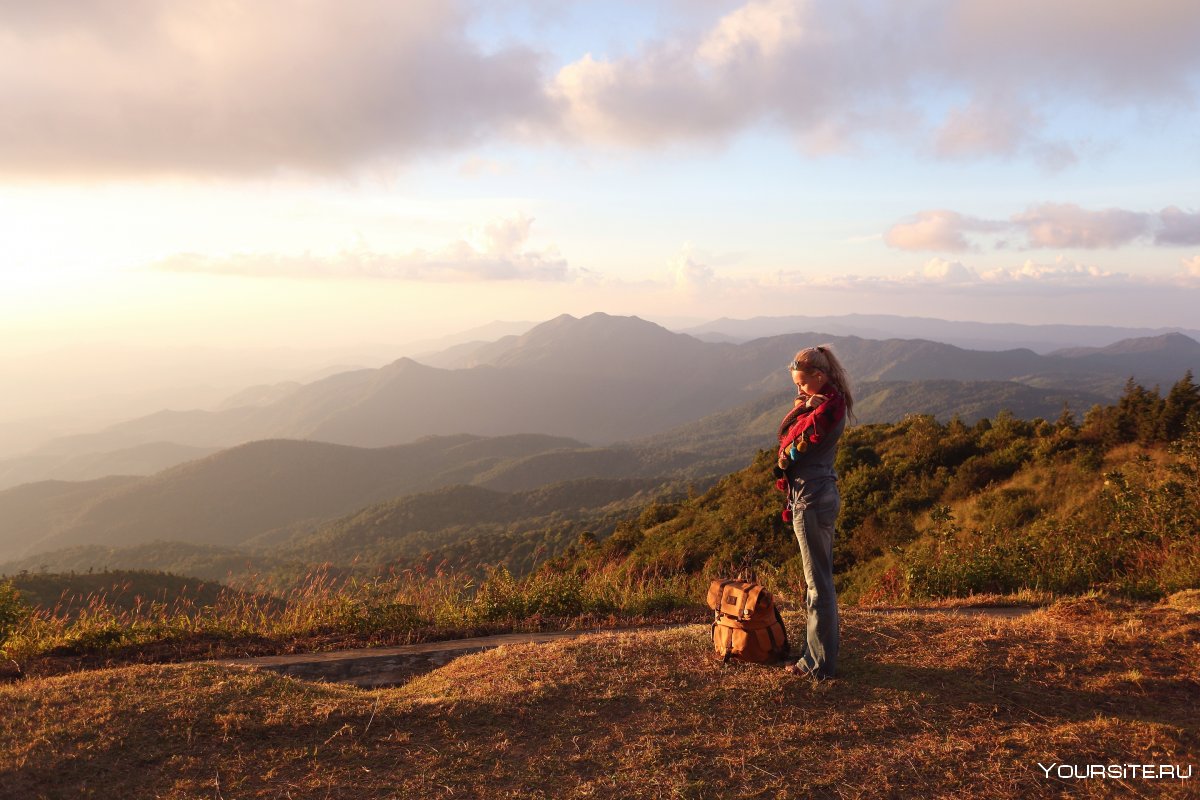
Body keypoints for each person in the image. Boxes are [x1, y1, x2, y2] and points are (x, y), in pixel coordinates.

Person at [773, 345, 853, 679]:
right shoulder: (827, 404)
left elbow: (787, 452)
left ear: (820, 376)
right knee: (816, 583)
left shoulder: (824, 414)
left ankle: (818, 664)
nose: (799, 390)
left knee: (818, 586)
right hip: (820, 495)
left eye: (804, 384)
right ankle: (815, 652)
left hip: (812, 499)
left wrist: (805, 409)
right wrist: (806, 403)